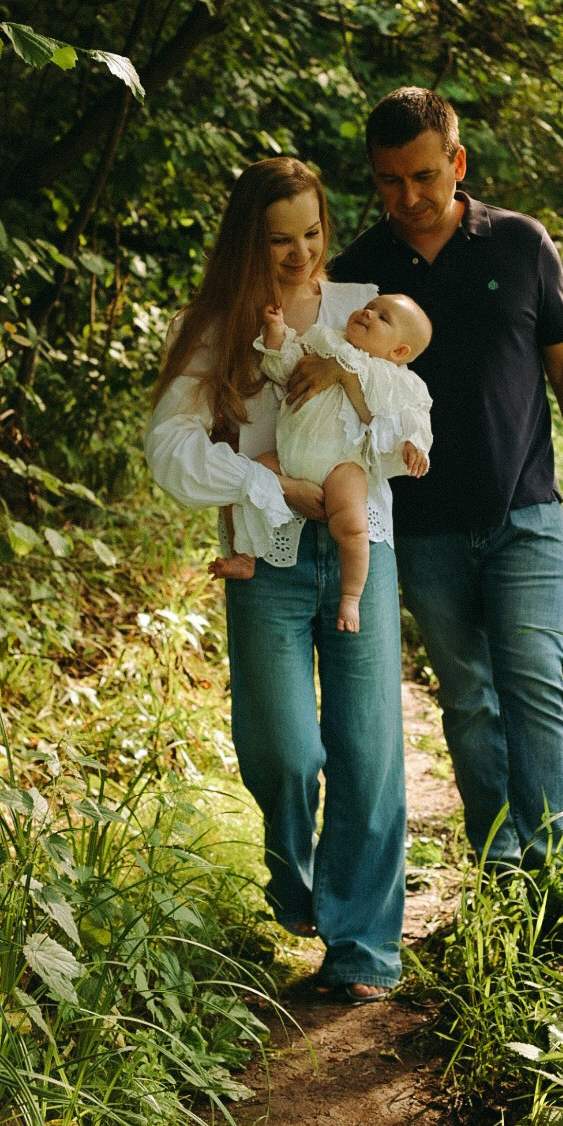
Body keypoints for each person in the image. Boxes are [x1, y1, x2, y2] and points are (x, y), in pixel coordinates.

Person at [292, 88, 563, 870]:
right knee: (470, 698)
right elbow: (313, 376)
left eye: (423, 176)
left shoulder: (519, 243)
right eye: (388, 181)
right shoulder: (359, 272)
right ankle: (501, 868)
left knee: (535, 684)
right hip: (423, 525)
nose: (407, 197)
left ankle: (557, 872)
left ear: (457, 162)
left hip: (526, 510)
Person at [145, 156, 406, 1000]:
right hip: (269, 555)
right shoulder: (215, 324)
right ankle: (294, 875)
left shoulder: (360, 307)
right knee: (284, 749)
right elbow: (172, 452)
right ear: (247, 241)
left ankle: (362, 949)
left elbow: (407, 411)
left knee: (367, 748)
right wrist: (268, 484)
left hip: (361, 539)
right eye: (280, 241)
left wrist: (361, 398)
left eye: (313, 235)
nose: (302, 258)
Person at [212, 294, 433, 635]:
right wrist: (276, 333)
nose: (368, 313)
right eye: (370, 307)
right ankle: (244, 555)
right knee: (243, 482)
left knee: (353, 526)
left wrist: (415, 445)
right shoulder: (324, 341)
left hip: (341, 465)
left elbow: (407, 418)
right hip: (287, 455)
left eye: (383, 318)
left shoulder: (395, 380)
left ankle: (350, 595)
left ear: (399, 352)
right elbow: (285, 370)